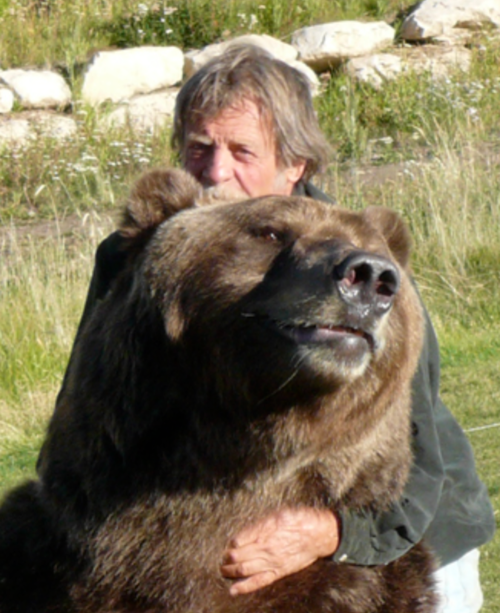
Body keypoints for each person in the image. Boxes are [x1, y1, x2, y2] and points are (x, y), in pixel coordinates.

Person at [41, 45, 495, 612]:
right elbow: (88, 404)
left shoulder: (363, 269)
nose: (216, 172)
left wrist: (331, 533)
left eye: (242, 151)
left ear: (294, 166)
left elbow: (423, 465)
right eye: (200, 148)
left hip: (410, 531)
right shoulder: (150, 251)